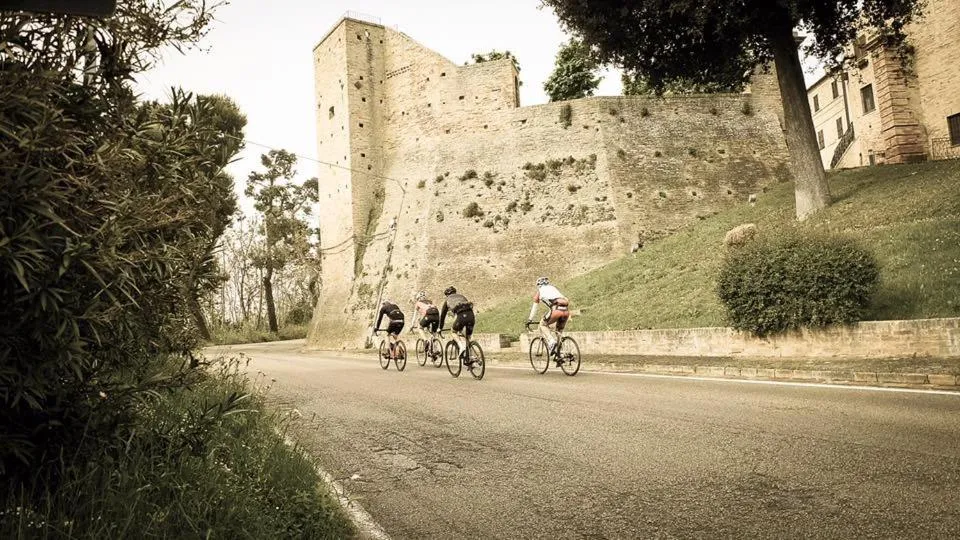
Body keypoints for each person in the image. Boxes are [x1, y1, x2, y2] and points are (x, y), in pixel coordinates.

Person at [526, 276, 570, 355]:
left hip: (556, 310)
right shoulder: (554, 288)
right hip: (566, 311)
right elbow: (566, 299)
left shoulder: (540, 291)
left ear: (539, 285)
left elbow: (534, 307)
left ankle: (551, 341)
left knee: (543, 324)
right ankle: (561, 354)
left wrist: (530, 320)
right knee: (558, 331)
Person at [438, 286, 475, 363]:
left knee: (453, 331)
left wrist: (440, 328)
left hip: (461, 316)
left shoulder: (447, 300)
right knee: (468, 337)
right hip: (471, 316)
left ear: (447, 295)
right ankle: (471, 357)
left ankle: (461, 347)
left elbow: (442, 316)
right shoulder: (462, 297)